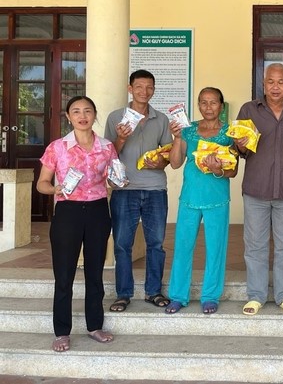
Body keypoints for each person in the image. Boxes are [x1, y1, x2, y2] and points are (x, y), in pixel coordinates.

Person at [37, 96, 120, 352]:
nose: (82, 115)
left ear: (95, 114)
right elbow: (42, 183)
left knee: (95, 273)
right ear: (68, 116)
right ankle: (62, 331)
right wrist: (56, 188)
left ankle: (94, 326)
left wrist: (118, 181)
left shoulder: (107, 147)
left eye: (87, 111)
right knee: (64, 275)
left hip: (97, 211)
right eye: (76, 111)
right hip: (67, 212)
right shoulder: (57, 147)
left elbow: (112, 179)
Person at [235, 63, 283, 316]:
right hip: (256, 188)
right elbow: (240, 150)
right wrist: (241, 144)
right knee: (255, 245)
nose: (275, 86)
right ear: (264, 84)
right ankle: (256, 296)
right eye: (270, 81)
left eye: (281, 82)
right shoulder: (248, 110)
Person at [164, 87, 238, 314]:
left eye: (213, 103)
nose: (208, 107)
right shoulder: (188, 130)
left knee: (216, 249)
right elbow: (175, 163)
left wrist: (217, 170)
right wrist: (176, 137)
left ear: (221, 106)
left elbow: (233, 171)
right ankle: (178, 295)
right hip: (189, 198)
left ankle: (210, 296)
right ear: (197, 104)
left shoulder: (229, 132)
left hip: (217, 199)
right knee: (183, 248)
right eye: (203, 103)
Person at [105, 69, 173, 312]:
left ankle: (153, 291)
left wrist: (162, 162)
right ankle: (123, 293)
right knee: (123, 244)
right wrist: (122, 138)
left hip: (155, 188)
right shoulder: (115, 118)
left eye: (149, 87)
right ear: (130, 88)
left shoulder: (162, 119)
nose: (145, 92)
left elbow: (168, 153)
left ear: (154, 90)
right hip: (125, 189)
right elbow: (107, 154)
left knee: (156, 243)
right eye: (139, 87)